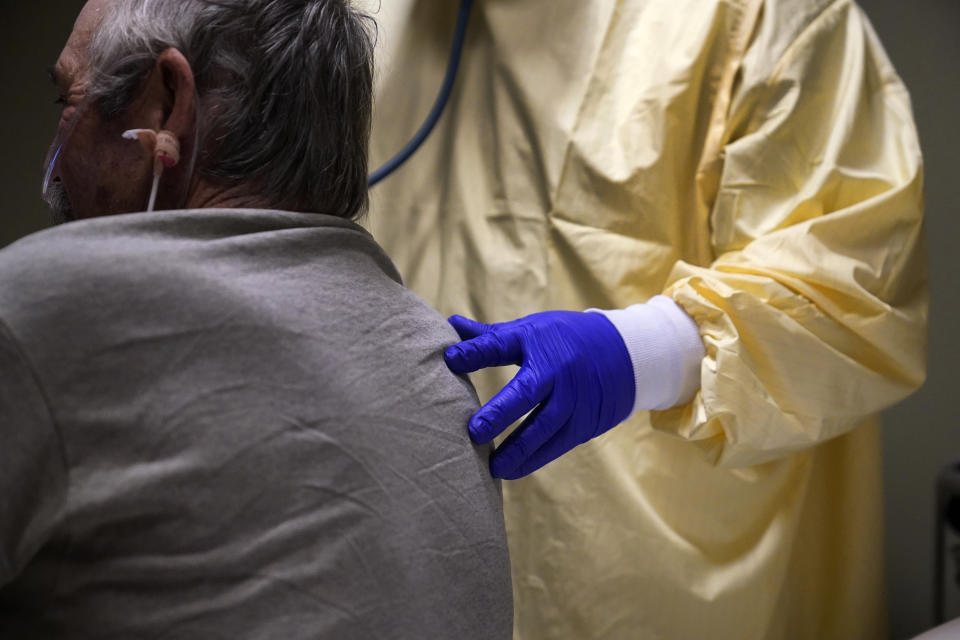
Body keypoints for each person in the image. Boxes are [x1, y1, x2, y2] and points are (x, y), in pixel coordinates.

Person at [365, 0, 927, 638]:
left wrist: (639, 353)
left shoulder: (765, 18)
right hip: (417, 556)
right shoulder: (371, 23)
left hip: (658, 591)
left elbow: (852, 286)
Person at [0, 1, 513, 638]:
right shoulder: (440, 367)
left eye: (67, 104)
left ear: (165, 106)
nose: (53, 157)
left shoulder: (40, 309)